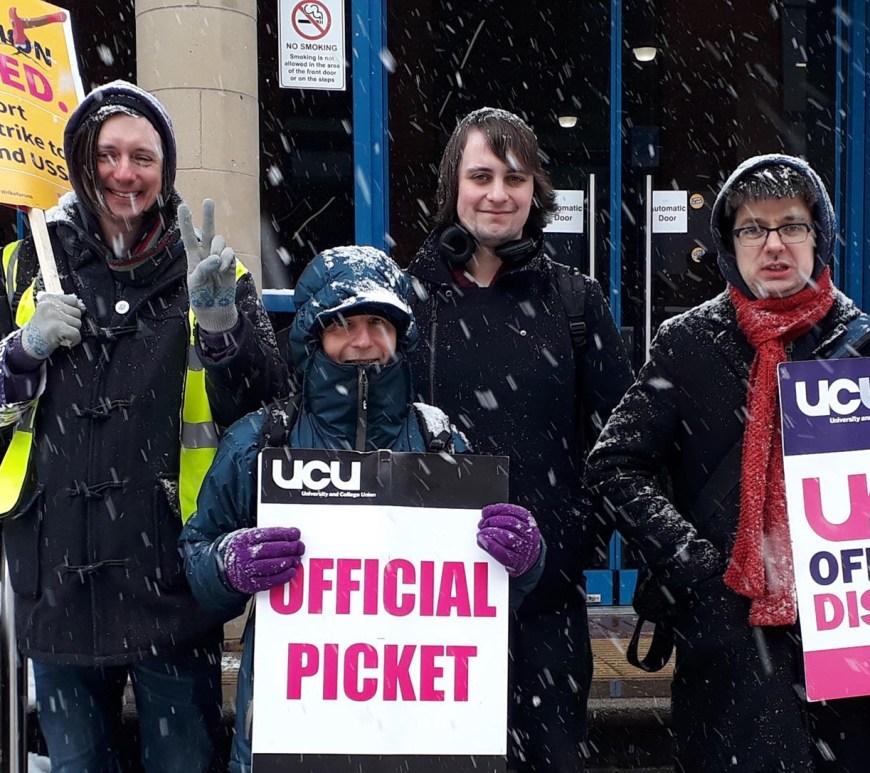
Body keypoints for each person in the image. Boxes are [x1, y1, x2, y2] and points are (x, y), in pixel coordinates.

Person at [0, 80, 289, 773]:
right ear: (80, 160)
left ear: (167, 170)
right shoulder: (21, 269)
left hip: (171, 589)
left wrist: (224, 335)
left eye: (143, 157)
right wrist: (22, 351)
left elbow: (271, 407)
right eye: (107, 154)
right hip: (56, 585)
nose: (124, 173)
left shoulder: (215, 268)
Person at [180, 245, 546, 773]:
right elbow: (195, 560)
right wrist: (225, 563)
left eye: (378, 321)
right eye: (342, 323)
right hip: (293, 734)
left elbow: (484, 599)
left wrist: (524, 559)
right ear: (313, 335)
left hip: (414, 736)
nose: (362, 340)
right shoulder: (262, 441)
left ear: (400, 335)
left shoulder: (439, 440)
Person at [586, 153, 870, 772]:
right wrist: (694, 567)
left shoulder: (861, 344)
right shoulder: (689, 343)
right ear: (728, 242)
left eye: (791, 225)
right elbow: (613, 466)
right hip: (730, 642)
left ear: (818, 236)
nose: (773, 244)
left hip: (846, 645)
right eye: (752, 228)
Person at [405, 107, 633, 772]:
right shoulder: (403, 297)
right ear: (454, 184)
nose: (498, 192)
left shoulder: (575, 301)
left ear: (537, 193)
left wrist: (574, 535)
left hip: (545, 609)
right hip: (429, 609)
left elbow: (619, 439)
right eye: (481, 175)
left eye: (515, 176)